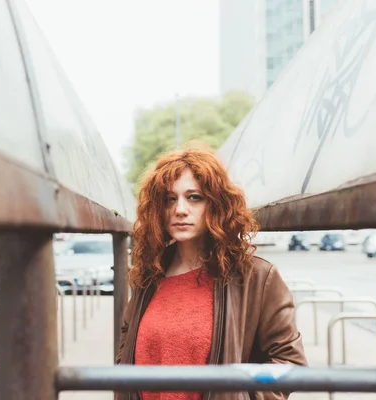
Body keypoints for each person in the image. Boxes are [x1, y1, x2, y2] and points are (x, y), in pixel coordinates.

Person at [116, 148, 307, 400]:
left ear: (216, 204)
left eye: (194, 197)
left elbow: (289, 364)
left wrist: (238, 396)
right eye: (170, 199)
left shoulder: (256, 277)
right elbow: (125, 354)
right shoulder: (149, 275)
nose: (180, 209)